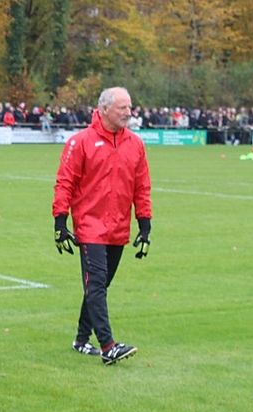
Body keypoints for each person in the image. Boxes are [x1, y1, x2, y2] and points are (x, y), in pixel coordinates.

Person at [52, 86, 152, 365]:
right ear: (104, 109)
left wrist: (145, 225)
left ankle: (81, 340)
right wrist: (60, 221)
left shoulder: (135, 144)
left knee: (99, 287)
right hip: (90, 226)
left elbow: (142, 187)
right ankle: (108, 347)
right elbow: (65, 183)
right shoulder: (80, 142)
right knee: (96, 284)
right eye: (123, 107)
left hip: (118, 228)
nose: (128, 112)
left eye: (130, 107)